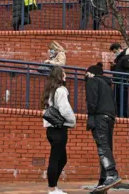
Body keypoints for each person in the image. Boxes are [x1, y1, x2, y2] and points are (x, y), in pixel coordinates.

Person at [85, 62, 122, 192]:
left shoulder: (92, 81)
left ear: (91, 73)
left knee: (102, 146)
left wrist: (90, 116)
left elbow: (92, 100)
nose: (86, 76)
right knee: (107, 146)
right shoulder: (107, 85)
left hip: (99, 116)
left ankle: (111, 174)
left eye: (87, 73)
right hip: (109, 117)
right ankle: (103, 181)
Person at [42, 66, 76, 194]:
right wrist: (72, 121)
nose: (65, 75)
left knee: (62, 159)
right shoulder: (61, 90)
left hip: (51, 129)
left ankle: (54, 187)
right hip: (59, 129)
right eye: (64, 73)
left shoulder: (50, 90)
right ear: (59, 76)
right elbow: (65, 109)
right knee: (56, 158)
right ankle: (52, 188)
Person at [109, 43, 129, 118]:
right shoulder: (119, 58)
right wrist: (113, 66)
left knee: (123, 100)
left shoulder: (126, 57)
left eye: (114, 51)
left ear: (118, 48)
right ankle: (119, 115)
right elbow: (116, 70)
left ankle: (123, 115)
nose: (114, 53)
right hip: (117, 82)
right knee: (117, 100)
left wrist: (124, 80)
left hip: (122, 82)